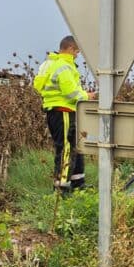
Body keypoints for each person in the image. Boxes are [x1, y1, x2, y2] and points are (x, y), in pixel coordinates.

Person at [33, 35, 94, 192]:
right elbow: (70, 92)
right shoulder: (64, 66)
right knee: (66, 148)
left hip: (57, 110)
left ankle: (78, 184)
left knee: (76, 147)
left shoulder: (50, 64)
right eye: (77, 51)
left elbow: (41, 86)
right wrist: (88, 96)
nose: (77, 55)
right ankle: (61, 189)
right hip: (63, 111)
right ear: (70, 48)